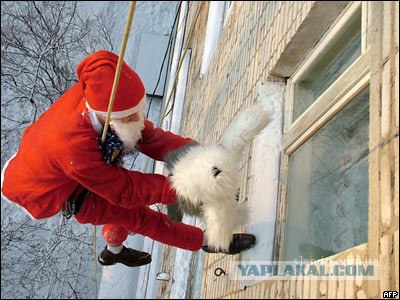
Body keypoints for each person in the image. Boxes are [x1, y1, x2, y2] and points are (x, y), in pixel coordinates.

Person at [1, 50, 255, 268]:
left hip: (64, 162)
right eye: (130, 116)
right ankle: (211, 242)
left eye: (138, 111)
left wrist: (203, 161)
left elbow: (150, 137)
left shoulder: (103, 94)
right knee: (136, 215)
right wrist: (191, 186)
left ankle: (113, 252)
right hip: (59, 190)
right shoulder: (72, 147)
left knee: (125, 208)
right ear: (106, 117)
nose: (138, 119)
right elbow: (126, 191)